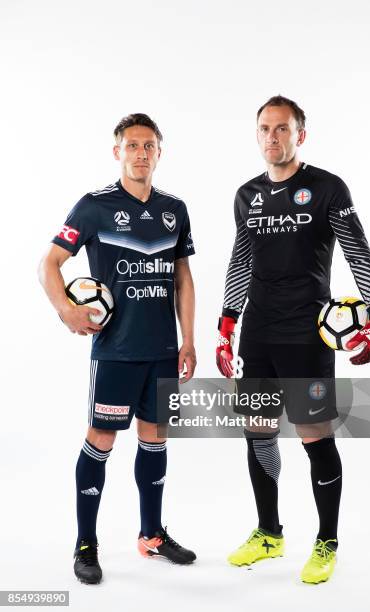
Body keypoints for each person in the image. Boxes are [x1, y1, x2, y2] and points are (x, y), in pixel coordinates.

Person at [216, 95, 370, 584]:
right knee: (258, 431)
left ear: (300, 135)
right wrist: (227, 326)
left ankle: (327, 541)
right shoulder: (247, 195)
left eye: (283, 129)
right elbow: (240, 262)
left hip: (309, 332)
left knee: (315, 437)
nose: (273, 138)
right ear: (257, 136)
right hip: (259, 330)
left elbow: (359, 252)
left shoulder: (327, 188)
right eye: (265, 129)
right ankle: (269, 533)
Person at [38, 113, 197, 584]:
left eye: (149, 145)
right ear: (118, 152)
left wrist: (188, 339)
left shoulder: (175, 209)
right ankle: (85, 544)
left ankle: (151, 534)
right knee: (102, 439)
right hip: (115, 351)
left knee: (155, 438)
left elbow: (183, 279)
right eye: (132, 145)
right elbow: (49, 263)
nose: (141, 153)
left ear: (159, 153)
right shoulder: (94, 206)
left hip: (163, 350)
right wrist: (65, 309)